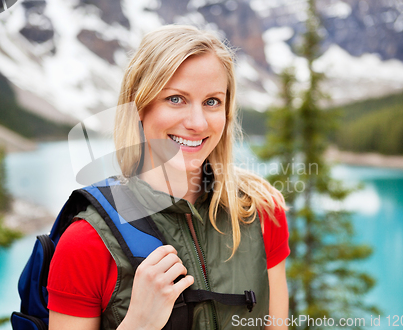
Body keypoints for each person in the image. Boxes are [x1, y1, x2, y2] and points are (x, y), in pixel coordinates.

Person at [47, 24, 289, 330]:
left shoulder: (260, 210)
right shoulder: (86, 242)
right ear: (138, 104)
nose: (197, 123)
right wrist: (139, 323)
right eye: (176, 99)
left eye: (212, 101)